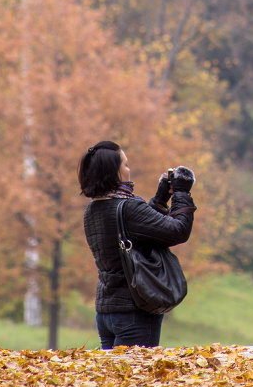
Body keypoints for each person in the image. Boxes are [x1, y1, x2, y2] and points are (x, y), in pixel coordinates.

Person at [79, 140, 196, 348]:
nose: (128, 169)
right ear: (113, 172)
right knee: (138, 379)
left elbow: (139, 230)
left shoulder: (92, 210)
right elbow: (178, 231)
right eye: (125, 164)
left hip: (106, 312)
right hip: (134, 313)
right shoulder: (128, 208)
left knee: (114, 379)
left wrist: (160, 199)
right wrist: (182, 193)